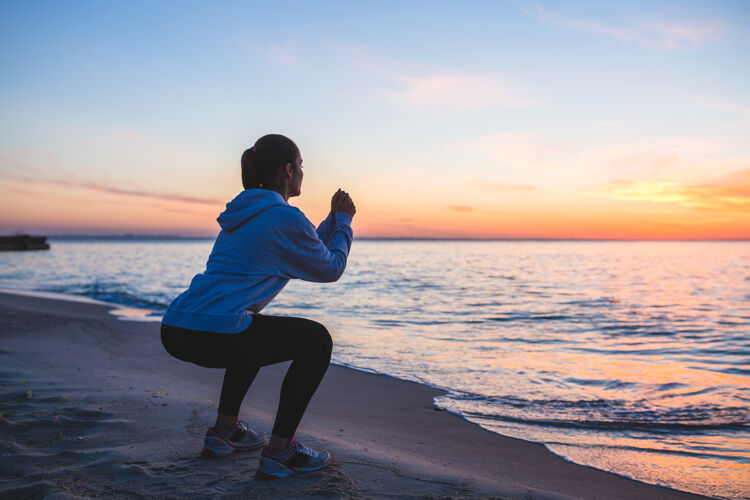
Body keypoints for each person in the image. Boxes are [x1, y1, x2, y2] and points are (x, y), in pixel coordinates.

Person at [160, 133, 356, 480]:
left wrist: (331, 220)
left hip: (176, 327)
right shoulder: (283, 218)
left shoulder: (247, 214)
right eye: (301, 166)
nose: (302, 173)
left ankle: (225, 433)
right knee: (317, 340)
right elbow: (330, 267)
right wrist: (343, 223)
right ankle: (281, 451)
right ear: (288, 170)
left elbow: (306, 242)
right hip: (214, 332)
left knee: (249, 326)